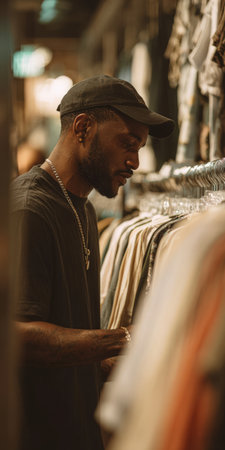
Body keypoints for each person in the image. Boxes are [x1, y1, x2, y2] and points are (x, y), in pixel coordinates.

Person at [10, 74, 174, 450]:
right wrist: (130, 338)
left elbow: (65, 339)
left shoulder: (80, 210)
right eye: (127, 143)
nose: (134, 160)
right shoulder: (29, 209)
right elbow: (17, 339)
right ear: (83, 128)